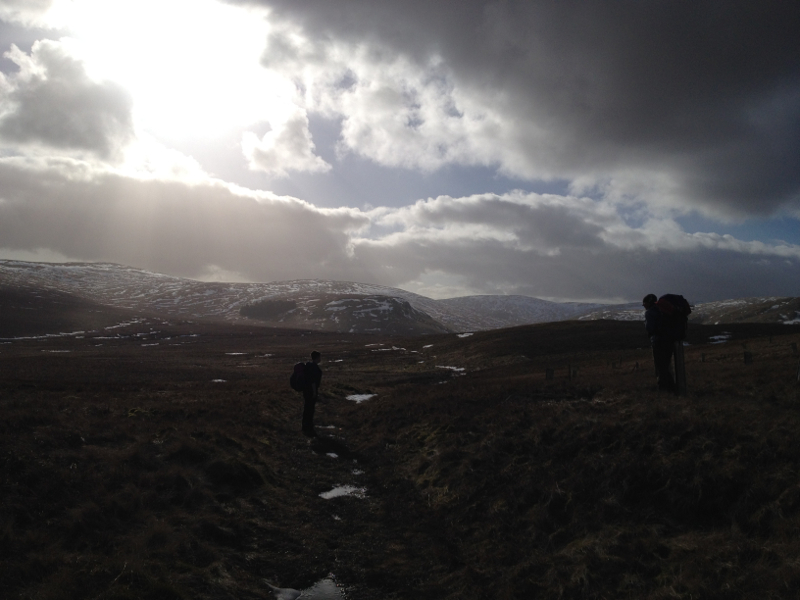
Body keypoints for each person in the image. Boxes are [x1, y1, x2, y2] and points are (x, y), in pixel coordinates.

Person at [643, 293, 675, 392]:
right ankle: (672, 387)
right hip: (669, 340)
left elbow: (650, 328)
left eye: (644, 304)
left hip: (658, 342)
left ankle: (663, 389)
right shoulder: (662, 310)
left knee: (660, 366)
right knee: (666, 365)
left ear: (648, 303)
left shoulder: (649, 313)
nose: (644, 306)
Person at [301, 351, 323, 437]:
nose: (320, 359)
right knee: (310, 408)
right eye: (319, 357)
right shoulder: (314, 367)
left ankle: (305, 425)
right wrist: (314, 392)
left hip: (306, 390)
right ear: (317, 358)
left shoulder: (309, 366)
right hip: (311, 391)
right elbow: (313, 381)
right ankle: (308, 426)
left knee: (307, 407)